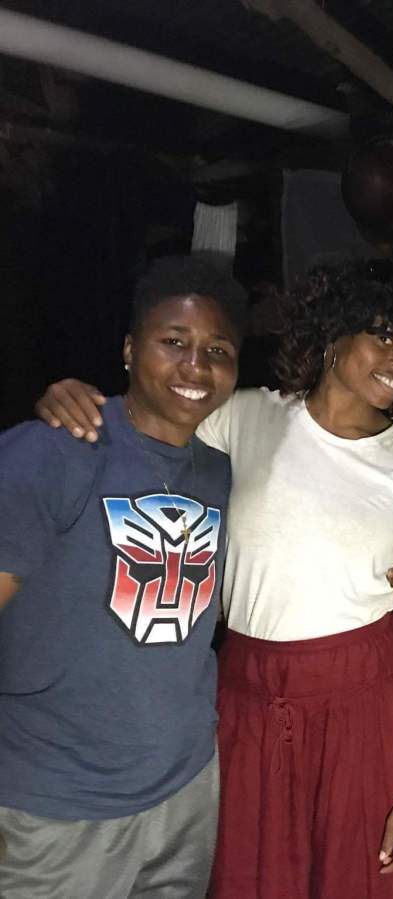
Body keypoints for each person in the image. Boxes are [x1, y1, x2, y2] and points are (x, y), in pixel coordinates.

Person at [33, 257, 393, 898]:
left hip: (362, 703)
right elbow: (143, 427)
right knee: (251, 878)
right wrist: (71, 400)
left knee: (363, 880)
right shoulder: (246, 416)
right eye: (382, 338)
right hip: (246, 697)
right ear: (334, 333)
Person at [0, 256, 245, 897]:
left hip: (185, 790)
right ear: (131, 350)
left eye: (218, 350)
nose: (196, 366)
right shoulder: (51, 451)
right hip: (56, 802)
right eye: (174, 342)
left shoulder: (219, 472)